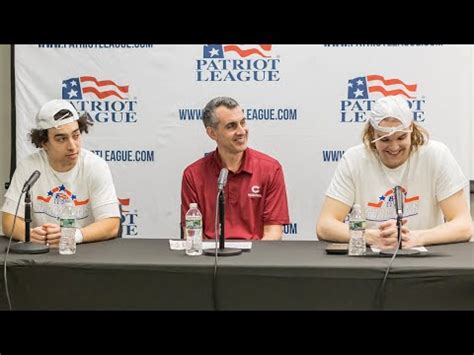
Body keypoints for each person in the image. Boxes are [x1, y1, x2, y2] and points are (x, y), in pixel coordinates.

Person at [317, 95, 472, 249]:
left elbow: (464, 226)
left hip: (425, 260)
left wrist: (416, 237)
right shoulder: (354, 159)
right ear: (372, 134)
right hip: (369, 260)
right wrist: (370, 236)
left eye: (401, 137)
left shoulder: (437, 155)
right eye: (384, 140)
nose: (394, 147)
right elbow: (325, 226)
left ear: (412, 130)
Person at [2, 99, 121, 247]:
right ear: (44, 143)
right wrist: (30, 234)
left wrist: (72, 236)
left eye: (76, 136)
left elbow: (111, 224)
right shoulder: (29, 167)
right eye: (61, 139)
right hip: (40, 256)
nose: (72, 146)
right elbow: (8, 219)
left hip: (85, 255)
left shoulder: (95, 166)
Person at [181, 96, 290, 240]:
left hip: (255, 257)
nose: (241, 131)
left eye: (243, 123)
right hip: (210, 258)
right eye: (231, 126)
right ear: (212, 133)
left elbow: (273, 234)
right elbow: (193, 234)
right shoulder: (193, 174)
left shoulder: (270, 169)